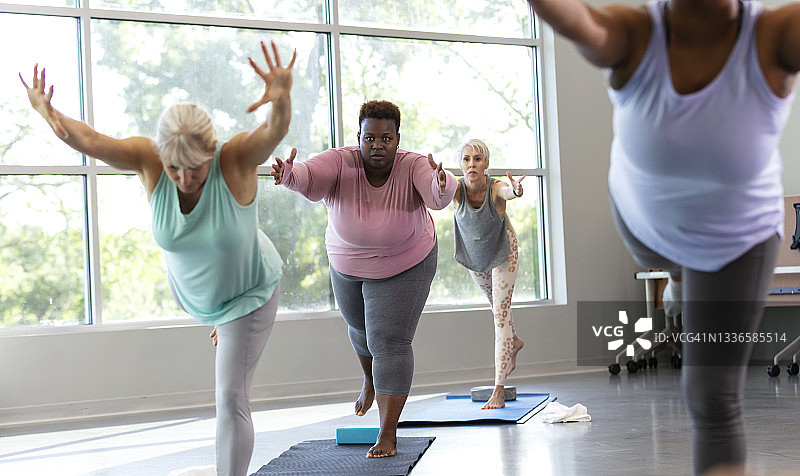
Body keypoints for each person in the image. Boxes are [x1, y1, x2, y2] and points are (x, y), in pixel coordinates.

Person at [528, 0, 800, 475]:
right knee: (674, 272)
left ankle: (686, 282)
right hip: (645, 227)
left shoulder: (774, 34)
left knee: (711, 399)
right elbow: (576, 19)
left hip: (735, 245)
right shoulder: (636, 33)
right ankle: (678, 277)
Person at [20, 40, 296, 476]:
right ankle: (220, 325)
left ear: (213, 152)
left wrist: (281, 100)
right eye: (174, 169)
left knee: (229, 397)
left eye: (196, 169)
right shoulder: (149, 160)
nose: (185, 179)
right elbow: (91, 139)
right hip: (201, 296)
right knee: (227, 373)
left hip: (249, 292)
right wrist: (48, 114)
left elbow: (273, 132)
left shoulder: (236, 159)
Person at [270, 100, 456, 458]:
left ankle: (387, 433)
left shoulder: (414, 164)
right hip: (347, 261)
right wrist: (289, 175)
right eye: (370, 137)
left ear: (397, 139)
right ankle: (371, 379)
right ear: (359, 137)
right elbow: (309, 177)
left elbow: (437, 195)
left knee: (389, 341)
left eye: (386, 138)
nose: (377, 145)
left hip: (406, 261)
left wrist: (442, 182)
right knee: (359, 329)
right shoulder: (341, 161)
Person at [451, 139, 525, 409]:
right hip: (477, 259)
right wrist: (435, 179)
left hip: (505, 251)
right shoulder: (457, 190)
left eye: (478, 159)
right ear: (461, 164)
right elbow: (439, 191)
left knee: (500, 315)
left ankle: (499, 389)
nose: (472, 164)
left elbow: (507, 192)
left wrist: (516, 190)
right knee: (497, 308)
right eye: (467, 159)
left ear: (486, 165)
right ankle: (515, 341)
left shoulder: (494, 189)